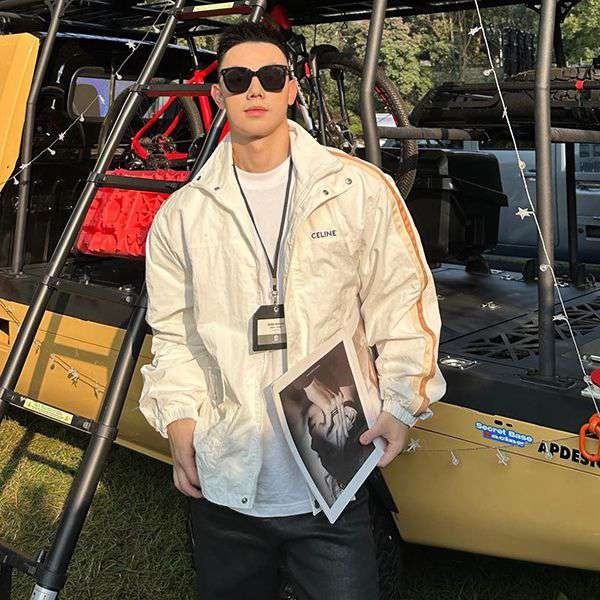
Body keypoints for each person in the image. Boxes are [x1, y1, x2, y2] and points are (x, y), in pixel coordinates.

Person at [139, 20, 447, 600]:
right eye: (238, 78)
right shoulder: (183, 215)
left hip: (333, 479)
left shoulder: (358, 189)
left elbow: (403, 303)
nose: (255, 88)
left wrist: (403, 404)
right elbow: (176, 337)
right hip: (227, 478)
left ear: (292, 89)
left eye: (271, 75)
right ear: (218, 93)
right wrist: (179, 426)